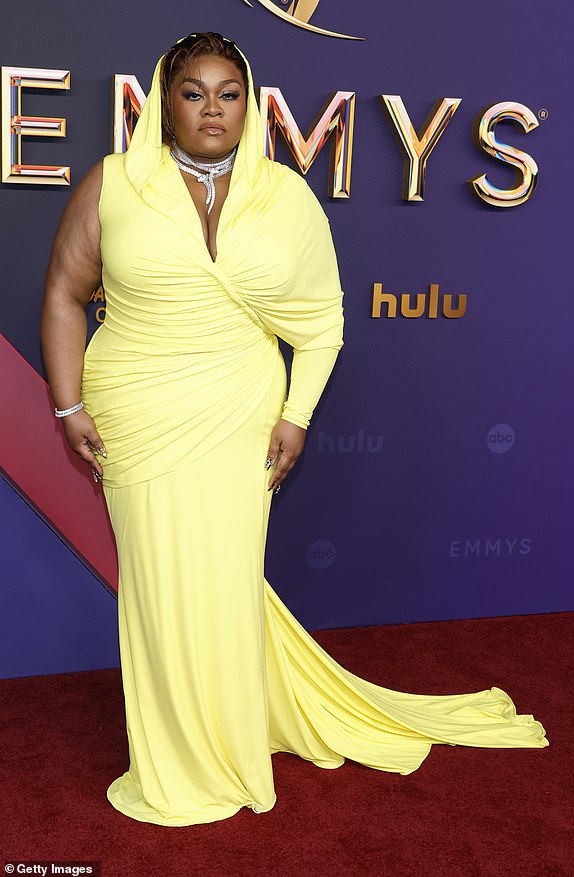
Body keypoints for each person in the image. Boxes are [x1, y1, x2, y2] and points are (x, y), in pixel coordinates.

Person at [40, 32, 549, 827]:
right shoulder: (113, 185)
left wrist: (297, 414)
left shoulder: (286, 195)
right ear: (163, 101)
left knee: (223, 575)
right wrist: (68, 406)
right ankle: (178, 755)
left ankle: (231, 733)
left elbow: (322, 323)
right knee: (158, 579)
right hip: (135, 414)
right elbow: (66, 293)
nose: (213, 108)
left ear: (251, 103)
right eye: (194, 92)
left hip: (239, 413)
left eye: (229, 93)